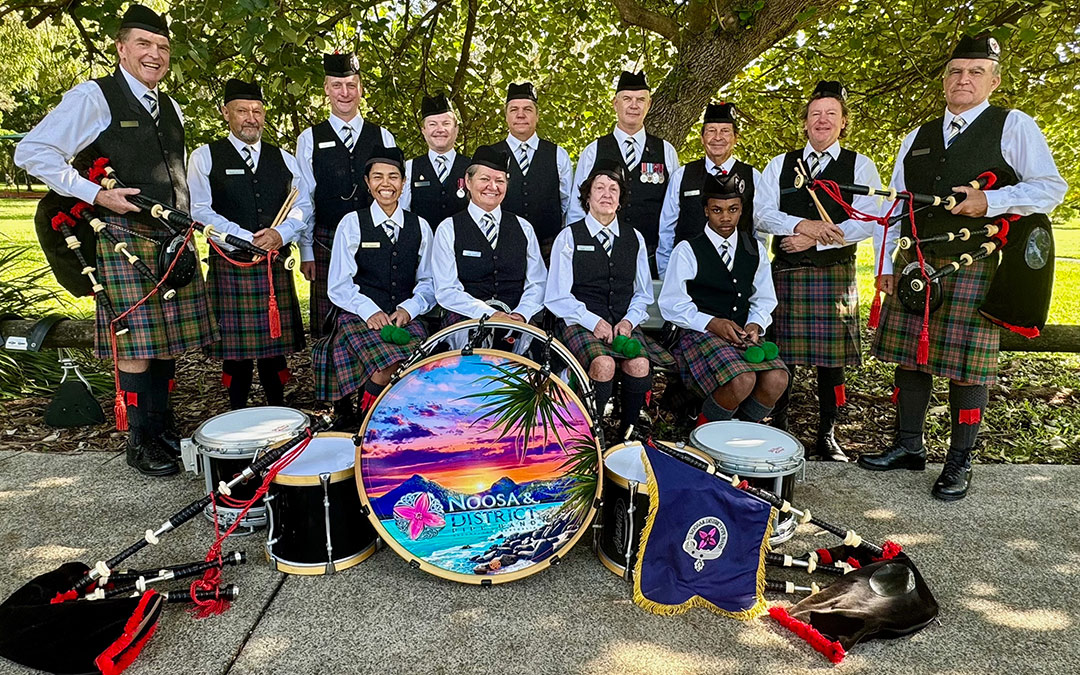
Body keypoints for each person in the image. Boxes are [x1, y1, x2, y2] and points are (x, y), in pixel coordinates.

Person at [860, 35, 1067, 501]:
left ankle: (959, 461)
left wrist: (991, 200)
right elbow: (897, 207)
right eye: (956, 71)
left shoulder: (1013, 126)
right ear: (944, 78)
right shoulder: (918, 136)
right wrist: (886, 264)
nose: (964, 79)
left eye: (976, 72)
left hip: (974, 264)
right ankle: (908, 446)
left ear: (993, 80)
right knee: (910, 359)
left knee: (967, 371)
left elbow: (1051, 188)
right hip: (914, 262)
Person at [15, 5, 218, 476]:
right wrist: (96, 194)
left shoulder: (169, 105)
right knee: (137, 344)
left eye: (162, 47)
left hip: (172, 235)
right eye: (144, 45)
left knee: (168, 342)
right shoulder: (95, 96)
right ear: (122, 48)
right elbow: (33, 152)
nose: (155, 54)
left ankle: (163, 425)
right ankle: (140, 439)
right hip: (124, 238)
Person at [756, 80, 884, 461]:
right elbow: (762, 213)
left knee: (833, 362)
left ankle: (827, 434)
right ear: (806, 123)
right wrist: (800, 225)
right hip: (788, 274)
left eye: (831, 114)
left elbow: (871, 219)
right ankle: (779, 425)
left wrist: (819, 239)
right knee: (783, 357)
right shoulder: (780, 165)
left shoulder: (860, 165)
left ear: (843, 122)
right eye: (815, 115)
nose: (822, 121)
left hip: (835, 274)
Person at [187, 78, 308, 409]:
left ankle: (278, 415)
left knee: (274, 355)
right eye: (242, 110)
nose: (250, 118)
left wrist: (280, 234)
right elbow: (199, 209)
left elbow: (303, 205)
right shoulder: (205, 157)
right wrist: (243, 237)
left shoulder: (283, 158)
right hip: (231, 264)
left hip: (272, 265)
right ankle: (235, 414)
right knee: (236, 359)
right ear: (226, 113)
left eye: (257, 111)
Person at [545, 159, 674, 435]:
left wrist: (628, 322)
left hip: (621, 323)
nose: (606, 194)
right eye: (599, 187)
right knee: (603, 364)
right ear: (587, 195)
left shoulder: (634, 238)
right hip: (579, 323)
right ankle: (591, 434)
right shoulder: (569, 237)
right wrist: (593, 322)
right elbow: (556, 297)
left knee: (640, 363)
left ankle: (627, 433)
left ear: (620, 198)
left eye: (613, 189)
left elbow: (642, 293)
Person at [313, 147, 435, 425]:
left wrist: (409, 308)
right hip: (359, 313)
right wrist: (369, 311)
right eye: (378, 177)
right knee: (386, 367)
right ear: (367, 183)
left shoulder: (421, 226)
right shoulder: (352, 224)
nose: (386, 184)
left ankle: (403, 421)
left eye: (393, 177)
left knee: (416, 365)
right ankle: (369, 423)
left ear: (403, 184)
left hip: (404, 315)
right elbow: (339, 285)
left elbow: (429, 281)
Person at [659, 173, 788, 424]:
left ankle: (740, 433)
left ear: (742, 210)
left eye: (733, 209)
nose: (726, 217)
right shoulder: (688, 250)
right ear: (706, 210)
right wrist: (711, 323)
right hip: (698, 335)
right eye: (717, 210)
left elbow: (764, 298)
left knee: (777, 378)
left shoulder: (754, 249)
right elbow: (671, 304)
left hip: (742, 333)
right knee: (741, 379)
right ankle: (705, 434)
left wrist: (755, 324)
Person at [295, 52, 396, 339]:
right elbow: (305, 199)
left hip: (374, 242)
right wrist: (306, 251)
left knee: (375, 317)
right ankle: (330, 381)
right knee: (329, 325)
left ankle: (371, 382)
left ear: (361, 89)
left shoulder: (383, 137)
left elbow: (393, 194)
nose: (345, 93)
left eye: (351, 85)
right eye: (337, 85)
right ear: (326, 89)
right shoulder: (309, 138)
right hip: (326, 241)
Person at [431, 145, 547, 351]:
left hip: (517, 322)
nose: (492, 186)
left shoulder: (524, 228)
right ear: (468, 181)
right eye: (485, 179)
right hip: (465, 321)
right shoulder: (448, 228)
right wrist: (488, 314)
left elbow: (538, 282)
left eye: (500, 181)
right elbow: (446, 289)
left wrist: (521, 314)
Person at [568, 71, 679, 275]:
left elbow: (672, 211)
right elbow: (577, 207)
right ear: (615, 103)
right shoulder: (594, 150)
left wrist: (667, 262)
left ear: (649, 104)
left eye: (640, 100)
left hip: (651, 256)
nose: (634, 105)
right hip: (600, 255)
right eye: (627, 99)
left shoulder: (666, 151)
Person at [656, 102, 762, 277]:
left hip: (737, 273)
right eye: (711, 130)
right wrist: (666, 274)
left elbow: (759, 232)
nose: (718, 137)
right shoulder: (682, 175)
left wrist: (755, 270)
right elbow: (667, 230)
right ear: (702, 137)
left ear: (736, 137)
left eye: (725, 131)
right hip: (689, 272)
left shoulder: (753, 177)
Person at [492, 82, 574, 262]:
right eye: (514, 109)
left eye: (527, 109)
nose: (520, 115)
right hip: (501, 248)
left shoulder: (558, 154)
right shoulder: (490, 155)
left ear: (537, 115)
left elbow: (568, 204)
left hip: (549, 250)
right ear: (506, 116)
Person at [400, 93, 470, 227]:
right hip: (423, 245)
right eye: (432, 124)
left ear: (456, 129)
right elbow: (403, 214)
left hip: (463, 245)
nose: (440, 129)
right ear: (423, 130)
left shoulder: (472, 167)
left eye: (446, 123)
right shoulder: (409, 168)